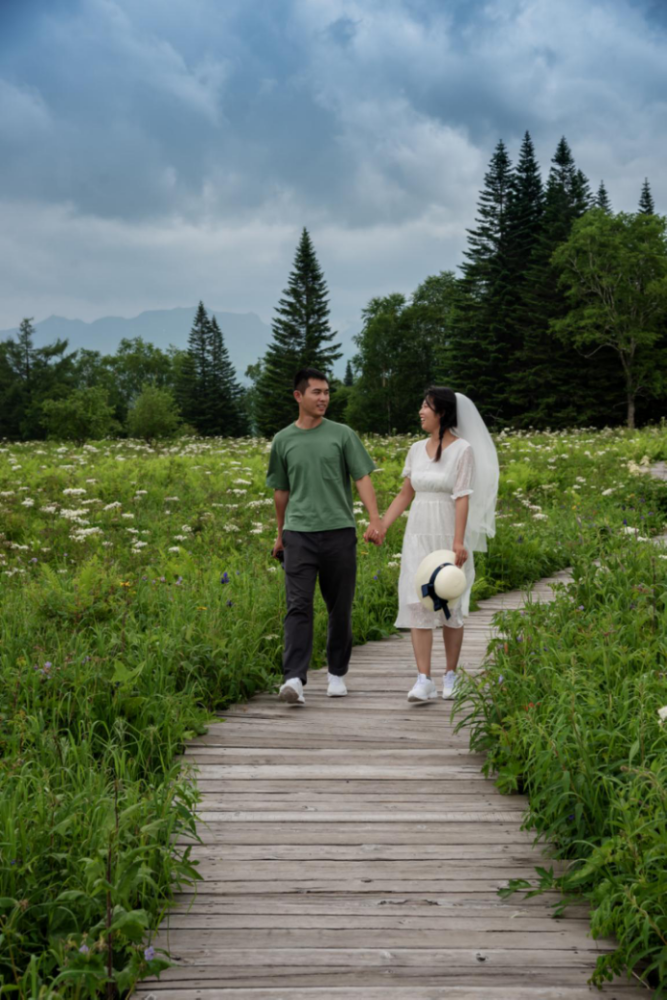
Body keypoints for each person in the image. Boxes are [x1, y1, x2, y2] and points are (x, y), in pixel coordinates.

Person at [367, 387, 498, 702]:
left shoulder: (462, 450)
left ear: (442, 413)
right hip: (417, 535)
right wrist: (382, 524)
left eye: (426, 407)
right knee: (418, 604)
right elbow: (405, 494)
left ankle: (450, 675)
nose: (421, 412)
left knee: (450, 603)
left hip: (446, 533)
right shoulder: (415, 449)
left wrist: (458, 540)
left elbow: (463, 497)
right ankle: (423, 678)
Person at [267, 367, 383, 706]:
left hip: (339, 532)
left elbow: (362, 478)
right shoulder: (283, 440)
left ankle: (336, 674)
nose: (324, 398)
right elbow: (281, 492)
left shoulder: (343, 435)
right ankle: (294, 679)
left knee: (340, 607)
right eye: (316, 392)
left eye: (327, 392)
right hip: (298, 535)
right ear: (298, 396)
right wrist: (279, 535)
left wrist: (375, 520)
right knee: (298, 606)